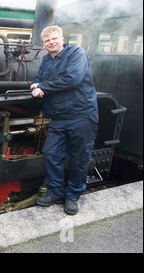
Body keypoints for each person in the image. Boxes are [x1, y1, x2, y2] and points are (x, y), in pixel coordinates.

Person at [30, 25, 98, 215]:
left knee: (79, 157)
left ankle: (73, 196)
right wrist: (35, 86)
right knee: (50, 153)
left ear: (61, 38)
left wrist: (42, 86)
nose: (51, 42)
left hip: (81, 115)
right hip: (58, 117)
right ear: (43, 44)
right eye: (46, 41)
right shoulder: (46, 60)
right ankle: (56, 193)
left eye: (54, 39)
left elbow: (72, 79)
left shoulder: (77, 54)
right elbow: (36, 79)